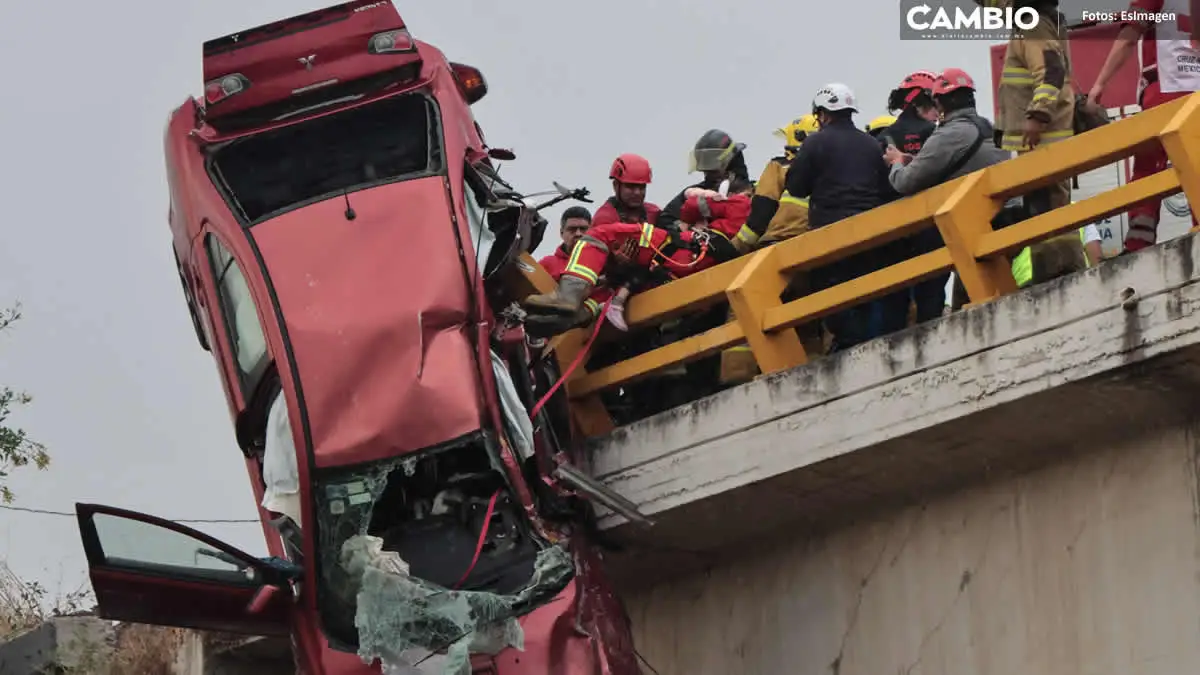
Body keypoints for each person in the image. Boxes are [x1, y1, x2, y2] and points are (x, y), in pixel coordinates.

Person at [884, 68, 1012, 326]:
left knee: (962, 309)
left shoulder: (950, 134)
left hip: (975, 233)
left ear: (940, 102)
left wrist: (898, 162)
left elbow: (904, 182)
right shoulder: (989, 128)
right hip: (1002, 221)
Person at [785, 82, 896, 352]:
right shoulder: (871, 145)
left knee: (832, 293)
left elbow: (796, 186)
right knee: (867, 289)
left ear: (823, 113)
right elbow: (885, 189)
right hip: (869, 232)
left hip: (829, 233)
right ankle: (867, 339)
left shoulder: (815, 142)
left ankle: (847, 343)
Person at [522, 154, 700, 321]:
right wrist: (616, 263)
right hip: (618, 288)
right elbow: (596, 267)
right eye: (631, 187)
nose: (637, 192)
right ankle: (565, 314)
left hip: (654, 279)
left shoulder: (653, 212)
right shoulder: (605, 218)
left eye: (641, 187)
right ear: (616, 186)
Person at [1088, 0, 1200, 252]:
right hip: (1196, 96)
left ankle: (1139, 243)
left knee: (1148, 166)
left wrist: (1100, 84)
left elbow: (1129, 36)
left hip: (1166, 88)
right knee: (1196, 165)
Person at [979, 0, 1074, 210]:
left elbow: (1051, 73)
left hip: (1042, 144)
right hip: (1038, 146)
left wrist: (1037, 115)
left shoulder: (1033, 24)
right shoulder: (1032, 25)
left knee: (1048, 215)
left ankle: (1060, 245)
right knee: (1046, 214)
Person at [657, 129, 751, 233]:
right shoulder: (696, 193)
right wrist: (687, 229)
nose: (709, 175)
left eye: (713, 171)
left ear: (732, 163)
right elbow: (665, 222)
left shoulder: (758, 192)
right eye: (706, 171)